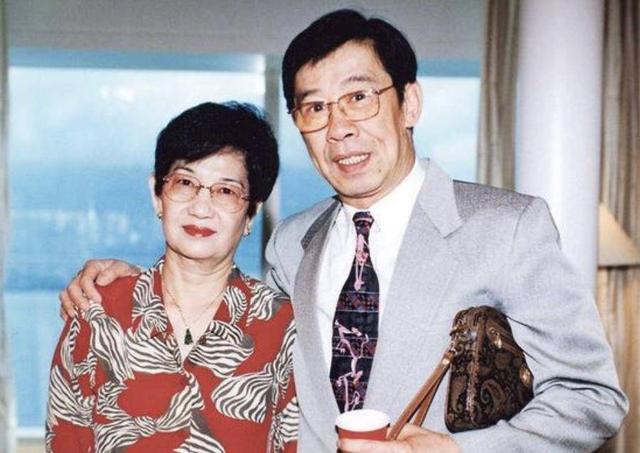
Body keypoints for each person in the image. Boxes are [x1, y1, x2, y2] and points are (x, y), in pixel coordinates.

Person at [60, 9, 628, 453]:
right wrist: (133, 281)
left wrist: (459, 450)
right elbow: (225, 326)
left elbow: (592, 396)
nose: (339, 128)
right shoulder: (291, 244)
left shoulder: (506, 227)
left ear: (409, 103)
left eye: (359, 97)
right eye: (315, 109)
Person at [47, 102, 298, 452]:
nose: (201, 207)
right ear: (157, 195)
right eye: (185, 183)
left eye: (225, 190)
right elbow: (65, 441)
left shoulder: (282, 325)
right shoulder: (97, 312)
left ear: (251, 214)